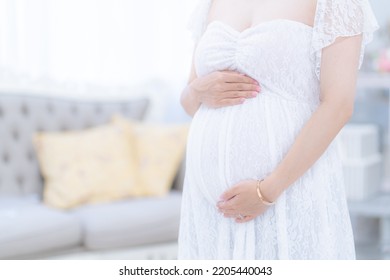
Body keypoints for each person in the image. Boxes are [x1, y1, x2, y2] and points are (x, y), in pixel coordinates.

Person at [178, 0, 378, 259]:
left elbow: (338, 105)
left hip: (287, 192)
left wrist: (267, 191)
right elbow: (190, 101)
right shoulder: (212, 4)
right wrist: (197, 91)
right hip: (209, 208)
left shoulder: (335, 3)